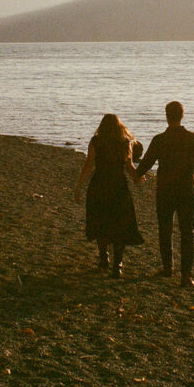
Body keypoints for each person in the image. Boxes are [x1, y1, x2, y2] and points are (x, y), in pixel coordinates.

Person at [133, 101, 194, 287]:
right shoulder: (193, 138)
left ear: (166, 116)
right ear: (182, 115)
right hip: (187, 189)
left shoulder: (159, 139)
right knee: (187, 231)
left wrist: (136, 174)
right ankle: (186, 275)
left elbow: (147, 162)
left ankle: (168, 267)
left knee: (165, 229)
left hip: (165, 189)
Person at [74, 114, 144, 277]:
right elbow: (129, 167)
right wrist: (138, 177)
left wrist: (79, 187)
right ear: (120, 127)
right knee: (119, 223)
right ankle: (117, 263)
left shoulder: (96, 141)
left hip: (99, 185)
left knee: (101, 221)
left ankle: (103, 257)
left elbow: (89, 164)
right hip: (118, 187)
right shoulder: (125, 142)